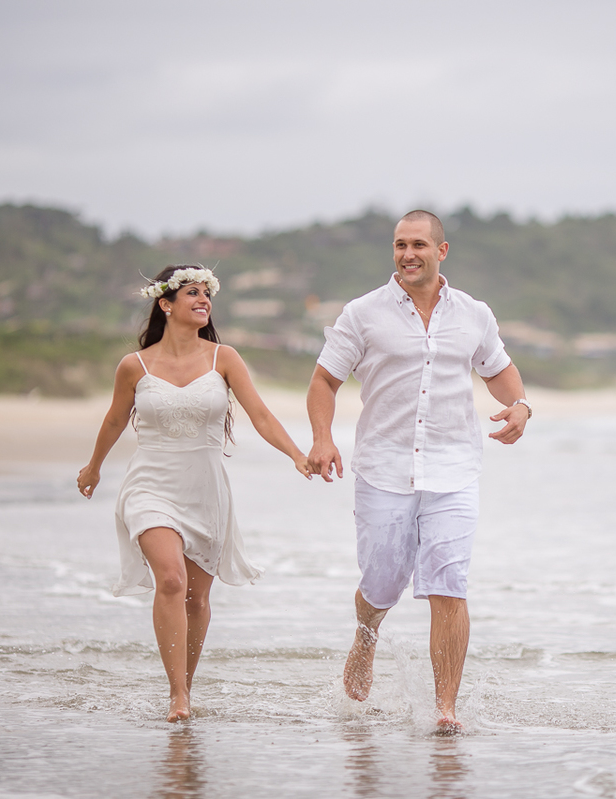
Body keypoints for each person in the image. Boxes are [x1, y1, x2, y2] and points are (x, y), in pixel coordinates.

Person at [307, 210, 530, 733]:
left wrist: (520, 405)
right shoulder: (363, 313)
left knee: (449, 583)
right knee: (382, 582)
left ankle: (445, 709)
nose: (408, 254)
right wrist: (322, 438)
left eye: (418, 245)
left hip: (455, 469)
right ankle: (366, 635)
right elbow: (323, 382)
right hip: (383, 467)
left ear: (441, 251)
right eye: (400, 245)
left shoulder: (474, 314)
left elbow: (499, 371)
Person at [77, 264, 313, 723]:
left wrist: (297, 455)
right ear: (165, 304)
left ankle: (186, 682)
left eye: (207, 292)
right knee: (171, 580)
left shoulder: (225, 358)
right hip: (150, 484)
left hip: (205, 491)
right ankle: (178, 695)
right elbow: (114, 419)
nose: (203, 299)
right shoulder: (134, 366)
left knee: (197, 599)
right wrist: (94, 466)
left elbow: (261, 416)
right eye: (192, 292)